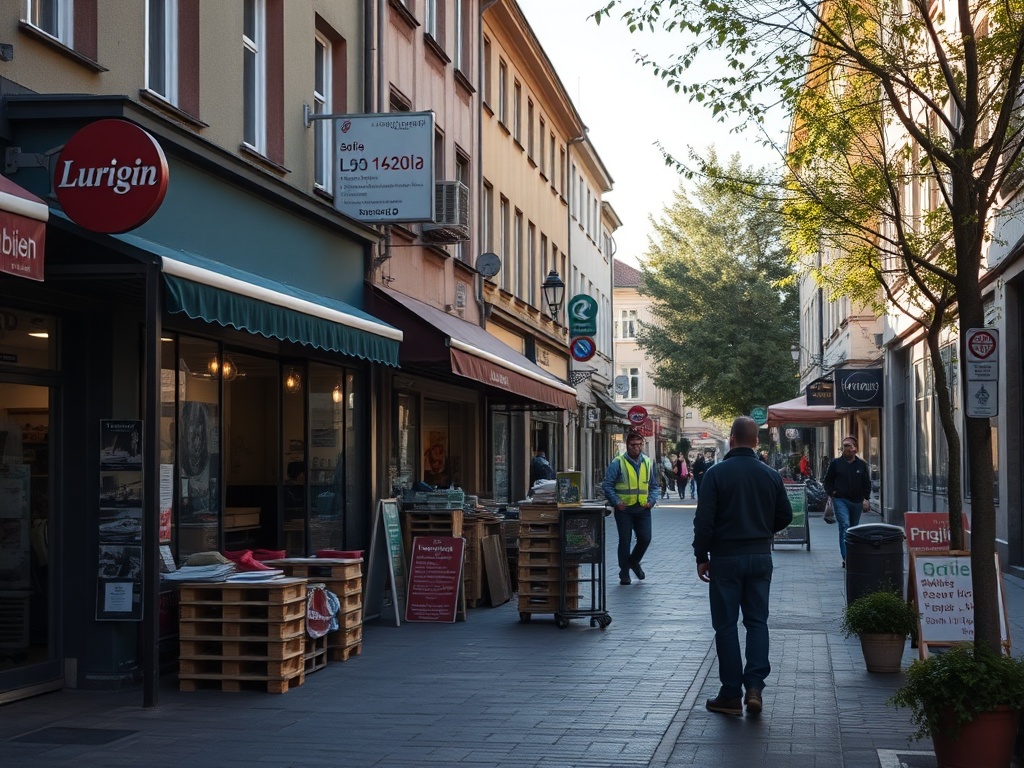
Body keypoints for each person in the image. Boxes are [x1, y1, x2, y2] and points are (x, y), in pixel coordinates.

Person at [693, 416, 793, 717]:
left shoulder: (715, 474)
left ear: (732, 440)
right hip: (760, 557)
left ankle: (729, 694)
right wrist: (763, 530)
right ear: (756, 442)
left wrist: (701, 555)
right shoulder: (770, 475)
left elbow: (704, 521)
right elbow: (785, 515)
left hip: (725, 558)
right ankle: (754, 687)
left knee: (725, 626)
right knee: (757, 622)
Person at [601, 431, 660, 585]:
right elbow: (607, 484)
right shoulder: (617, 463)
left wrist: (651, 501)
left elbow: (654, 486)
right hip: (624, 509)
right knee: (625, 541)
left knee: (645, 539)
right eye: (633, 445)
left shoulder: (647, 462)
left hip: (643, 509)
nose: (637, 448)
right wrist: (616, 502)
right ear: (627, 445)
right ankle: (624, 573)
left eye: (639, 445)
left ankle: (634, 561)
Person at [822, 436, 872, 568]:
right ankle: (847, 557)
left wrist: (866, 498)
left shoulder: (861, 465)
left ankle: (853, 554)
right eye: (845, 446)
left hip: (857, 501)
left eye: (850, 445)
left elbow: (866, 483)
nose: (848, 448)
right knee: (844, 525)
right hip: (841, 500)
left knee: (853, 529)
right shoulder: (836, 463)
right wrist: (832, 492)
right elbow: (827, 481)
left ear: (855, 448)